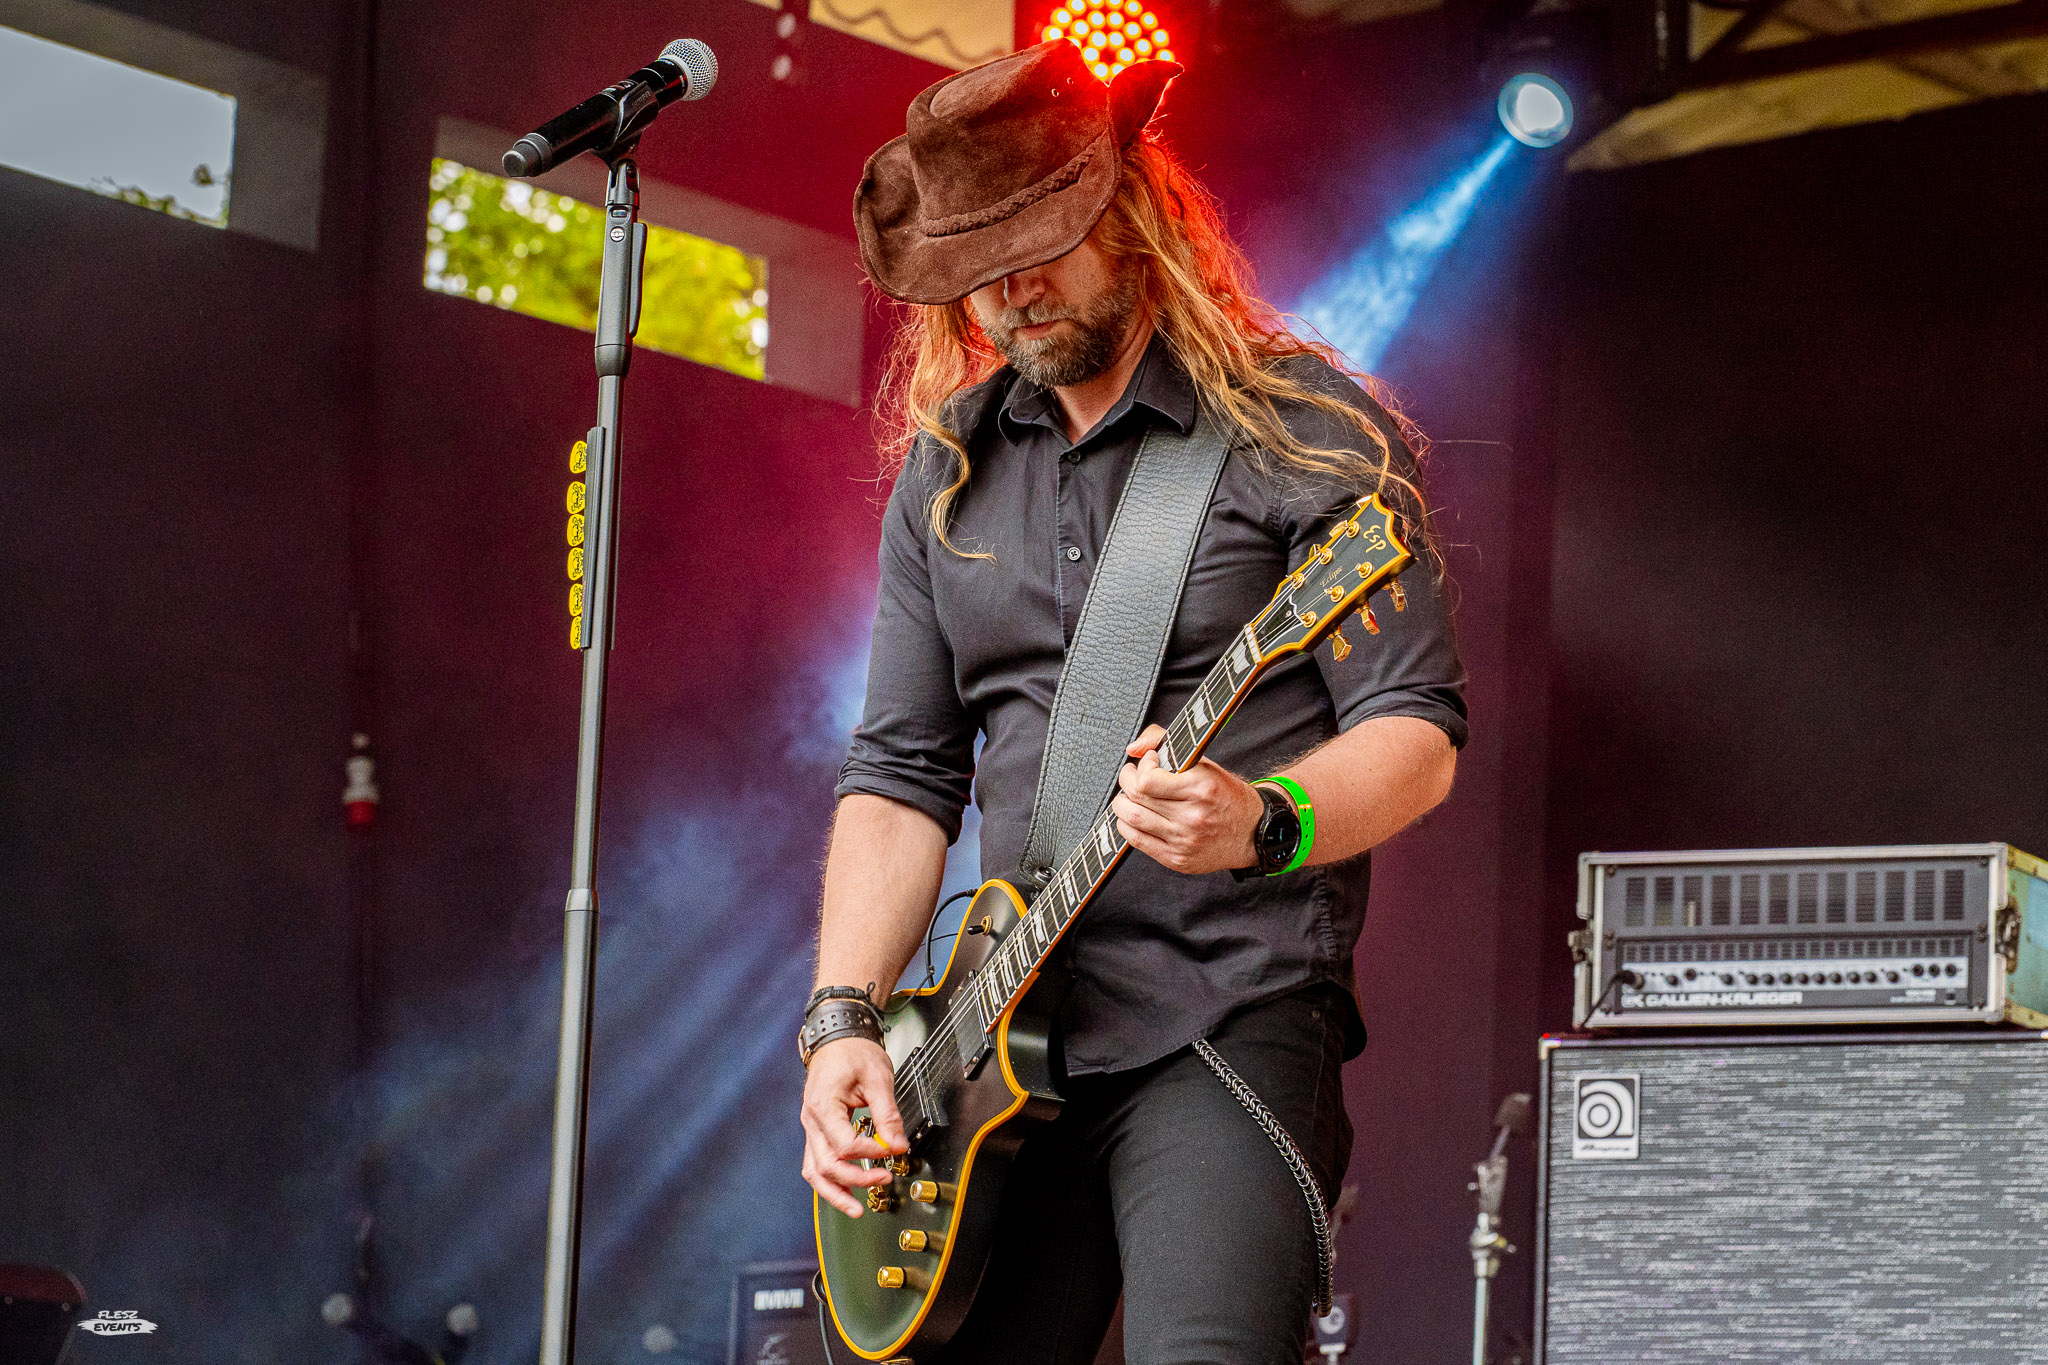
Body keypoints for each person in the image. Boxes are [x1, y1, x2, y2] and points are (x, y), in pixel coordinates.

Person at [798, 39, 1467, 1365]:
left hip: (1225, 1011)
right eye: (980, 266)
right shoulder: (947, 475)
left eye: (1041, 245)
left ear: (1135, 211)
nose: (1013, 291)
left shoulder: (1301, 430)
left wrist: (1261, 818)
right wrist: (842, 1022)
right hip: (988, 1050)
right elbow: (900, 776)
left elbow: (1416, 733)